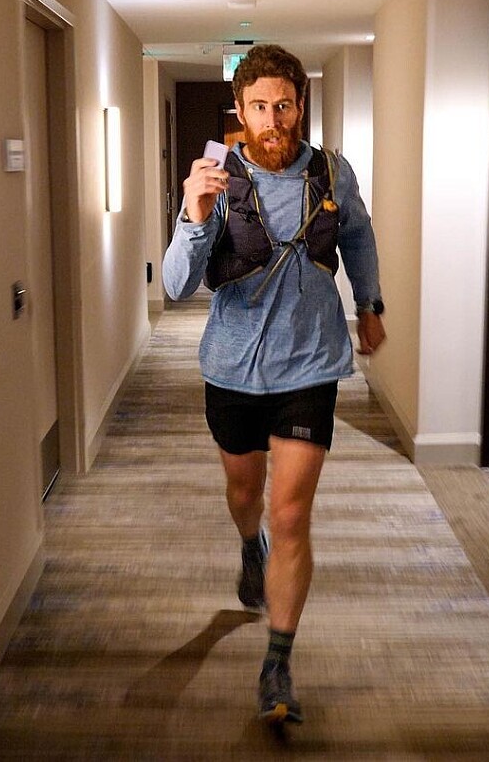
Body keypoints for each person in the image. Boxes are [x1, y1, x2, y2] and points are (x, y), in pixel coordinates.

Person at [162, 44, 385, 725]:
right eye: (259, 106)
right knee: (245, 495)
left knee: (290, 514)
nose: (272, 118)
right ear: (240, 109)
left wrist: (370, 303)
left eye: (283, 104)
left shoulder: (332, 171)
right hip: (231, 366)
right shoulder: (215, 173)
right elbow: (176, 285)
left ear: (300, 104)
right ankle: (246, 544)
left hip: (310, 364)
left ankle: (278, 660)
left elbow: (358, 237)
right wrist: (193, 214)